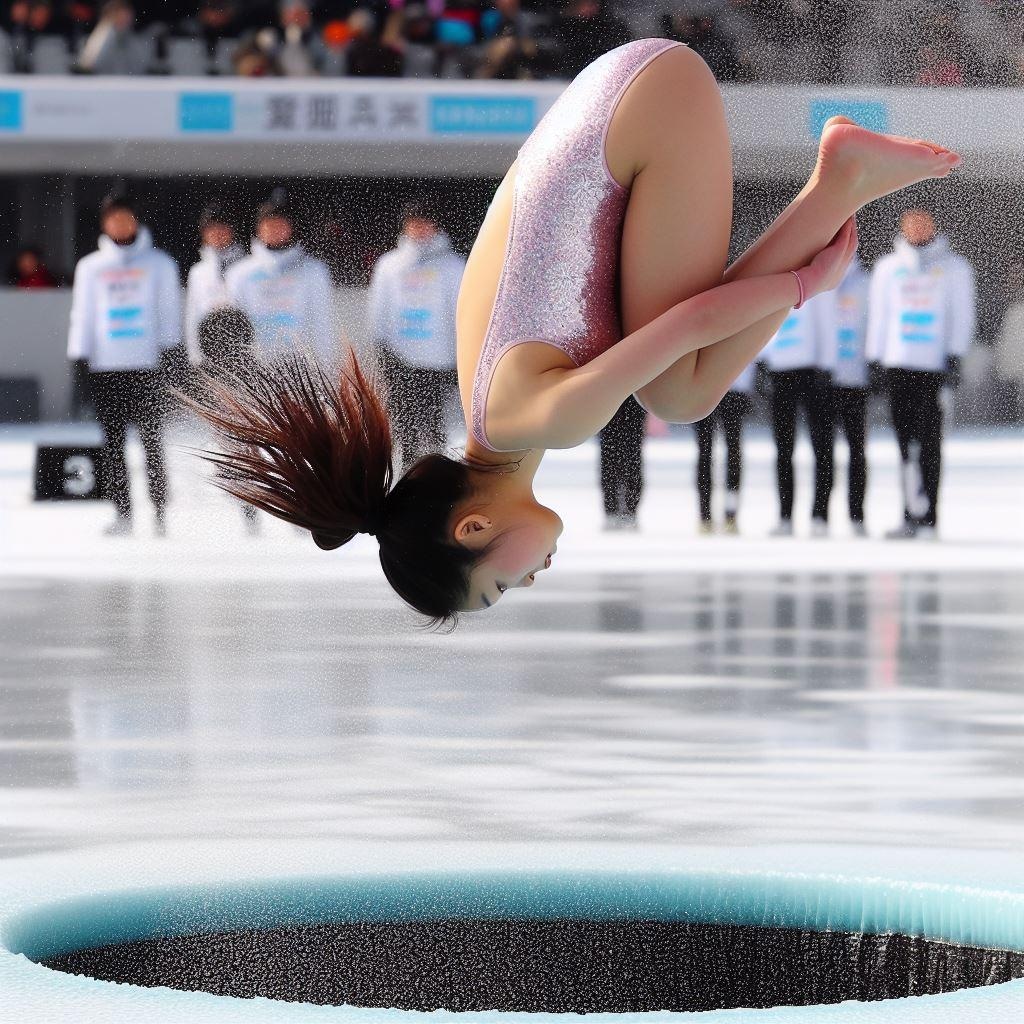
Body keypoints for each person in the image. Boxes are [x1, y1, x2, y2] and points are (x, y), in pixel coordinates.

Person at [189, 39, 959, 625]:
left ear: (475, 524)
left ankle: (841, 180)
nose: (529, 582)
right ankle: (839, 182)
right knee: (675, 383)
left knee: (679, 391)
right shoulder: (495, 409)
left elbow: (693, 321)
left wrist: (804, 286)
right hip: (624, 94)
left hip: (649, 110)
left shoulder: (549, 418)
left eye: (499, 584)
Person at [66, 192, 181, 537]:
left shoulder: (159, 263)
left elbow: (169, 312)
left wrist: (170, 355)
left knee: (151, 440)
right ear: (104, 224)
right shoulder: (90, 267)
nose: (119, 224)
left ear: (137, 220)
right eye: (112, 218)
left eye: (125, 217)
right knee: (112, 443)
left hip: (146, 365)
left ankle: (160, 511)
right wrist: (79, 357)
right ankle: (123, 512)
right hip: (106, 366)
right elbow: (83, 314)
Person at [867, 207, 976, 539]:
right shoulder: (888, 269)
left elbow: (962, 314)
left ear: (933, 224)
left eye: (923, 221)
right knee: (904, 445)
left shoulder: (954, 268)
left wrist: (955, 355)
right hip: (898, 363)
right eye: (910, 222)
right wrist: (875, 358)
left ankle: (930, 515)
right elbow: (880, 316)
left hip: (933, 367)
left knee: (929, 442)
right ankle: (910, 512)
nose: (916, 228)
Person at [366, 201, 464, 470]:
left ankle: (437, 481)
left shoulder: (453, 266)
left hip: (438, 362)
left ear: (436, 226)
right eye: (413, 223)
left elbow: (461, 314)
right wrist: (381, 349)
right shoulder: (389, 265)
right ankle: (405, 481)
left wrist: (460, 359)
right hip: (399, 360)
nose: (419, 228)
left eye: (425, 222)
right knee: (404, 428)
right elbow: (379, 311)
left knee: (434, 427)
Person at [758, 289, 837, 537]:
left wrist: (827, 364)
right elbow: (764, 322)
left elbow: (827, 321)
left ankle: (820, 514)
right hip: (780, 370)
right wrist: (763, 360)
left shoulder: (817, 278)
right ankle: (785, 515)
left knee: (822, 447)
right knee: (783, 448)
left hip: (812, 370)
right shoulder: (774, 275)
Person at [225, 192, 337, 364]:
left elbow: (322, 326)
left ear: (291, 228)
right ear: (258, 229)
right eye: (269, 225)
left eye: (280, 225)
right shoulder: (239, 274)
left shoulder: (313, 271)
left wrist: (325, 368)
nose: (275, 230)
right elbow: (233, 327)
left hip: (301, 369)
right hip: (256, 368)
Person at [825, 257, 871, 536]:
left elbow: (875, 324)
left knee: (857, 450)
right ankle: (820, 515)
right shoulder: (820, 284)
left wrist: (875, 364)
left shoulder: (865, 283)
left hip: (855, 380)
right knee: (823, 451)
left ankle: (857, 515)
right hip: (824, 378)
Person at [693, 361, 754, 535]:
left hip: (733, 387)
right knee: (705, 451)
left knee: (732, 451)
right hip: (705, 388)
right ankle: (705, 514)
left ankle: (730, 512)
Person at [184, 202, 247, 368]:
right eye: (211, 229)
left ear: (232, 230)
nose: (217, 234)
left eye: (222, 228)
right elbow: (193, 316)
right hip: (210, 355)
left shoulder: (248, 265)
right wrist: (195, 356)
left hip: (246, 351)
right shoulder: (198, 272)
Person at [598, 397, 646, 531]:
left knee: (631, 454)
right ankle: (613, 510)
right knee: (611, 454)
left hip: (629, 397)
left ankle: (629, 511)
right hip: (612, 398)